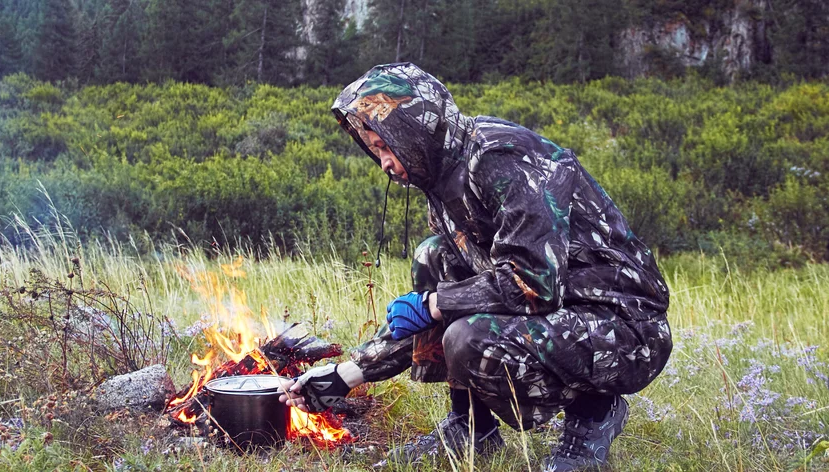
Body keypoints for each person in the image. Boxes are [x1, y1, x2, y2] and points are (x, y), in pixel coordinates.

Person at [278, 63, 673, 471]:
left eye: (385, 146)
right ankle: (471, 428)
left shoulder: (499, 158)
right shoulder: (442, 178)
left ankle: (594, 415)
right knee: (433, 257)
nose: (384, 164)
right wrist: (346, 376)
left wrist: (434, 303)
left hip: (626, 329)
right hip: (562, 312)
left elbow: (533, 281)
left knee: (468, 336)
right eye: (375, 150)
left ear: (413, 131)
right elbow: (441, 306)